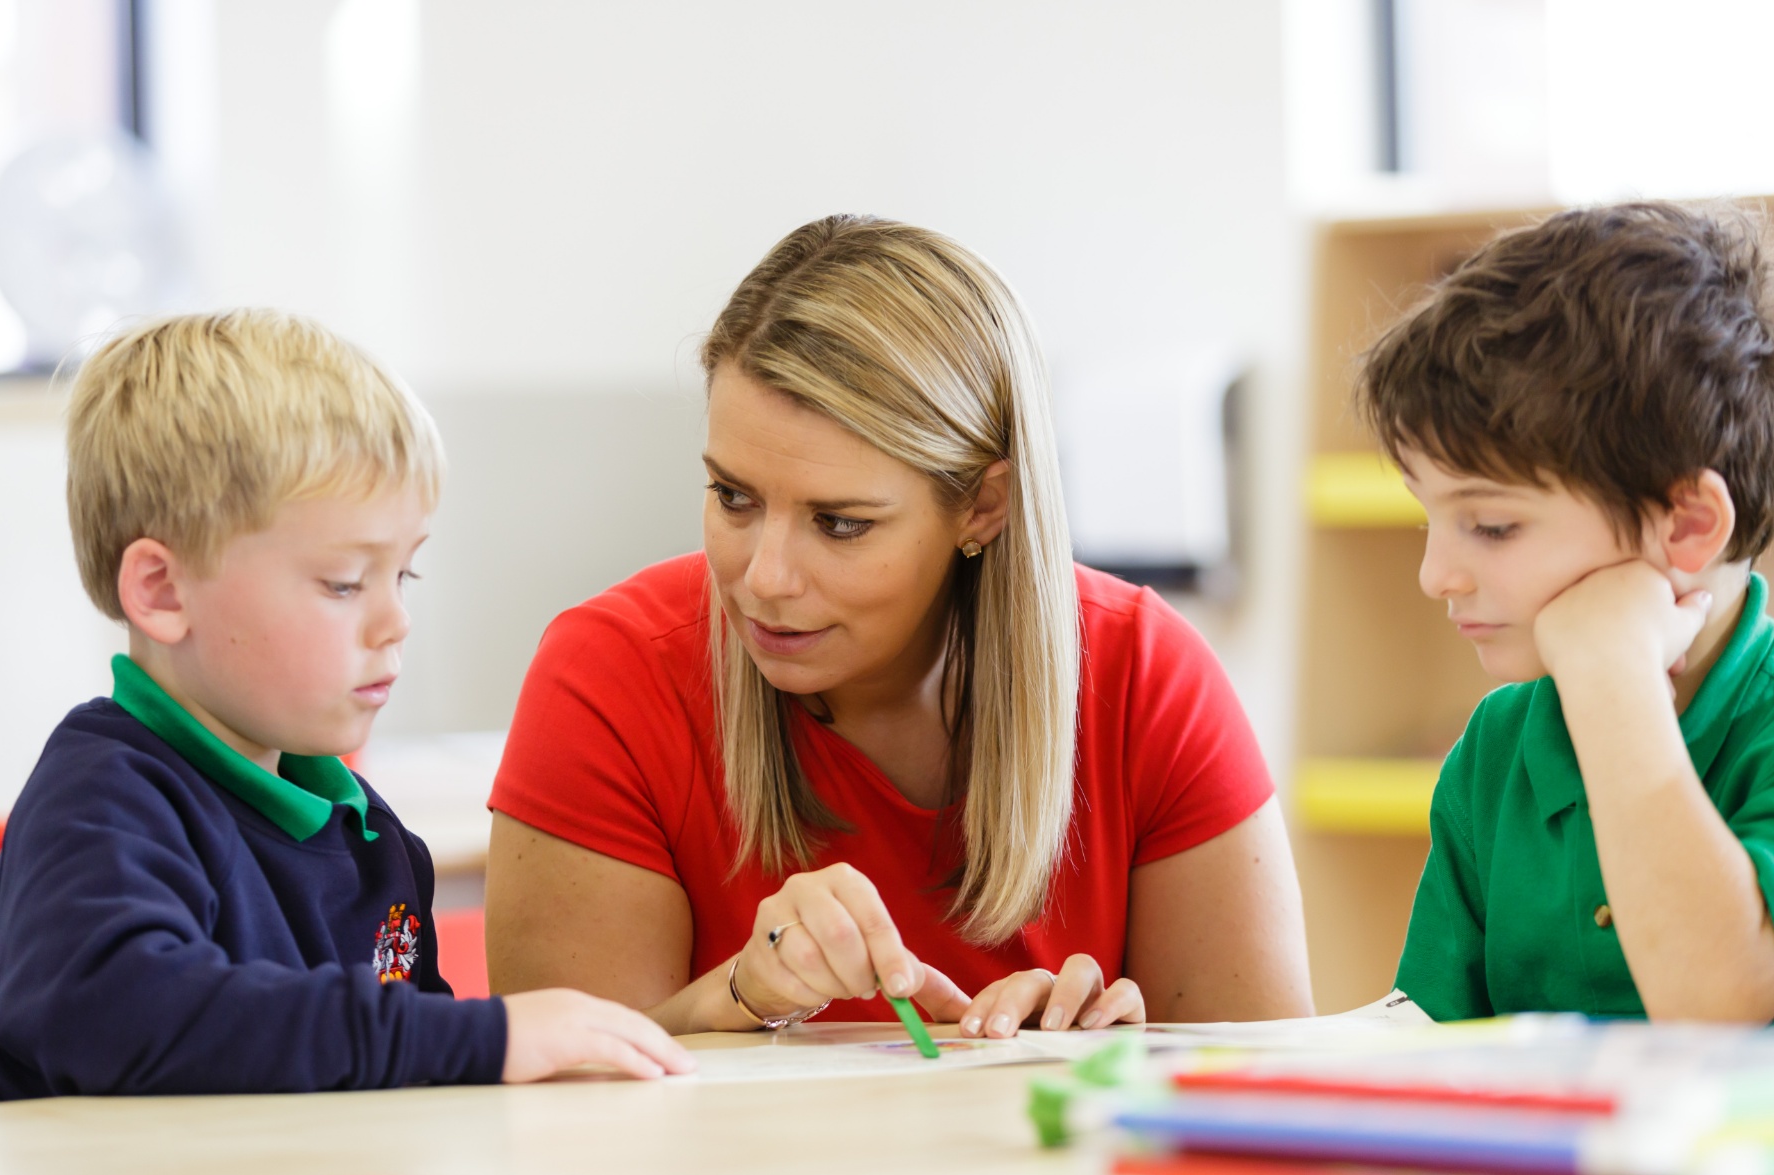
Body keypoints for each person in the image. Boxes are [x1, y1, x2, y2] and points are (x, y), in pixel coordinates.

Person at [486, 215, 1314, 1036]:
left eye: (840, 523)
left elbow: (1266, 1102)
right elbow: (569, 1116)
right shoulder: (609, 673)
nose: (763, 576)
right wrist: (737, 998)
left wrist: (1127, 1064)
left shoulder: (1144, 674)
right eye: (733, 497)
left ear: (983, 507)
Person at [0, 310, 692, 1099]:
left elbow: (412, 1081)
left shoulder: (373, 841)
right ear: (162, 590)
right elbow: (118, 1013)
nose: (395, 621)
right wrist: (482, 1038)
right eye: (344, 582)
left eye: (403, 576)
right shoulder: (104, 801)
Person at [1360, 200, 1774, 1023]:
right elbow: (1425, 1049)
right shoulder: (1494, 753)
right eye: (1426, 514)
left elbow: (1717, 993)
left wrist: (1613, 671)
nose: (1437, 573)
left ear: (1688, 525)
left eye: (1494, 525)